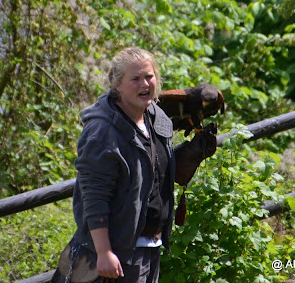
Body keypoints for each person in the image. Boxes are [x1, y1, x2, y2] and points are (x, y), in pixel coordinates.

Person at [53, 47, 216, 283]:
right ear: (117, 84)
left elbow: (155, 174)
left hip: (151, 246)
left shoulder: (155, 116)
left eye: (149, 76)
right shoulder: (102, 132)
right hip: (119, 253)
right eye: (135, 78)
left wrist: (192, 152)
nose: (145, 84)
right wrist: (104, 252)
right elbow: (94, 197)